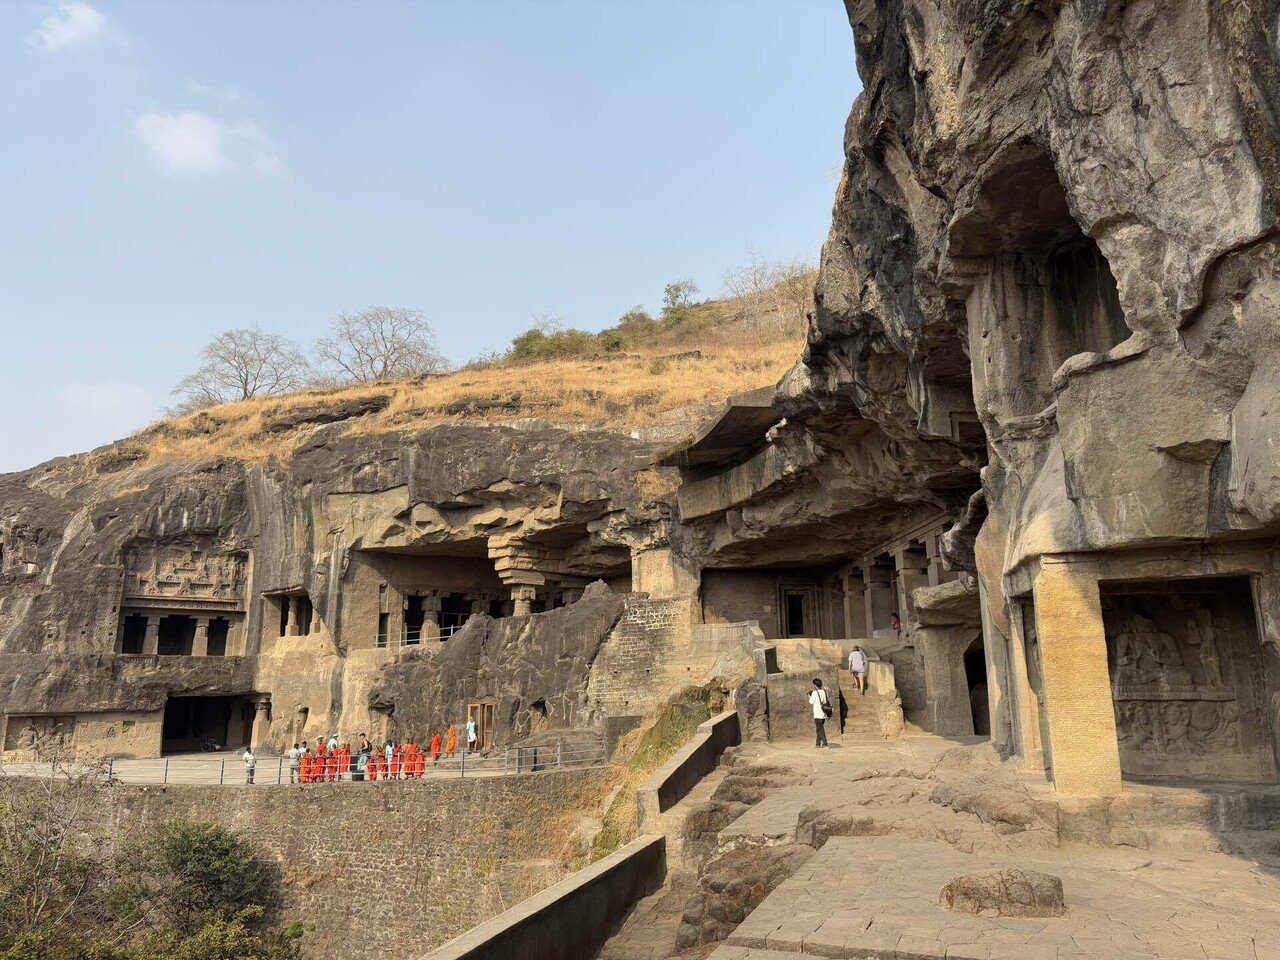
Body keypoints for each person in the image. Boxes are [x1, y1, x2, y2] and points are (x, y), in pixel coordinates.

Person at [809, 678, 831, 748]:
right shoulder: (824, 691)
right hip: (823, 713)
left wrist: (810, 696)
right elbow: (825, 701)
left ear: (815, 685)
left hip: (817, 714)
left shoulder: (815, 693)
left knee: (820, 729)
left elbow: (811, 702)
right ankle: (817, 743)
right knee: (819, 728)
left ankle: (825, 743)